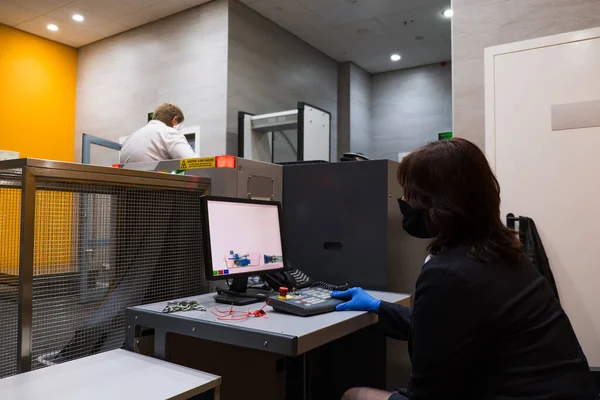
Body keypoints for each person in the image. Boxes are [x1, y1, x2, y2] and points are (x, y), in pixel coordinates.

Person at [332, 138, 597, 400]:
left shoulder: (449, 272)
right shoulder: (502, 252)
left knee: (353, 394)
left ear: (438, 202)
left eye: (409, 193)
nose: (402, 200)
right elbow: (445, 326)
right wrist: (379, 306)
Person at [120, 103, 195, 163]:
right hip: (153, 180)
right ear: (175, 120)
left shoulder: (130, 138)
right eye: (179, 123)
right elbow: (192, 163)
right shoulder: (170, 133)